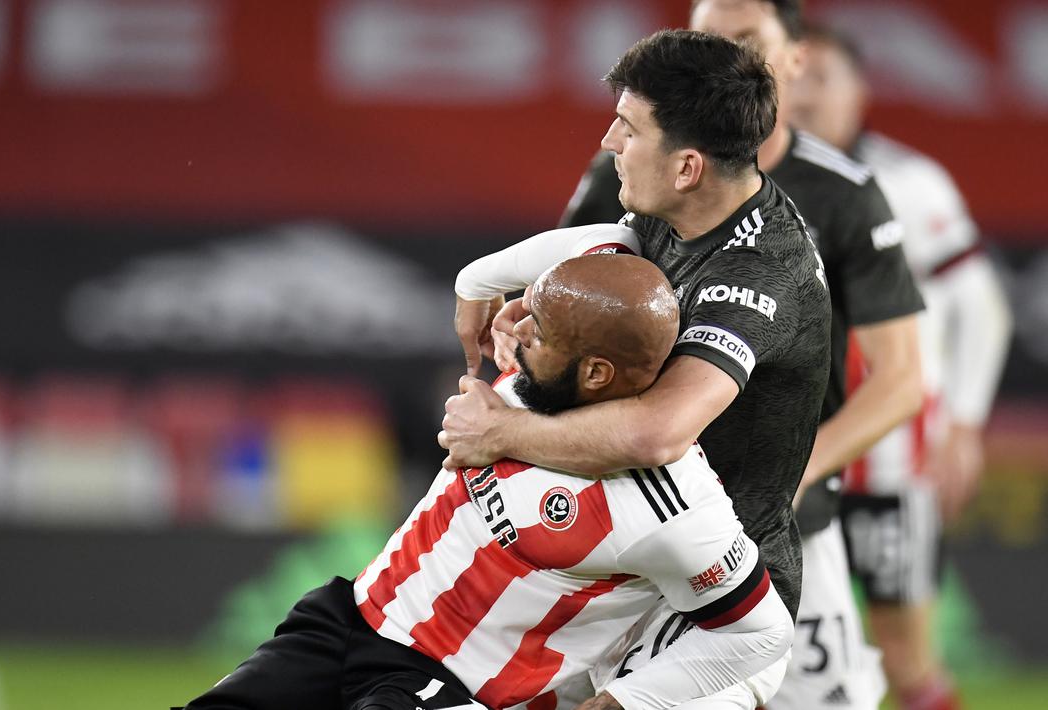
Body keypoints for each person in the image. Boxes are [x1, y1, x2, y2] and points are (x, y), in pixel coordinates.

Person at [448, 3, 926, 708]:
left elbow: (659, 432)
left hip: (729, 574)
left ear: (688, 166)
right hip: (634, 548)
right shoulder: (657, 199)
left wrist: (501, 432)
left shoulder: (774, 253)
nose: (611, 141)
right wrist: (534, 309)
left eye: (744, 40)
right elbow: (599, 266)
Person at [184, 255, 793, 710]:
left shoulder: (670, 503)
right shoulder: (537, 373)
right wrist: (479, 282)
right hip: (349, 617)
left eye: (539, 330)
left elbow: (761, 632)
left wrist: (626, 702)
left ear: (596, 373)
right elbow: (605, 235)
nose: (518, 331)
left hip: (444, 681)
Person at [786, 25, 1013, 710]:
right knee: (767, 650)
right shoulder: (747, 179)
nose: (804, 94)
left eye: (822, 77)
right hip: (787, 456)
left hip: (886, 458)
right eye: (793, 75)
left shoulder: (909, 183)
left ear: (861, 92)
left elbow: (982, 307)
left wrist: (963, 425)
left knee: (908, 655)